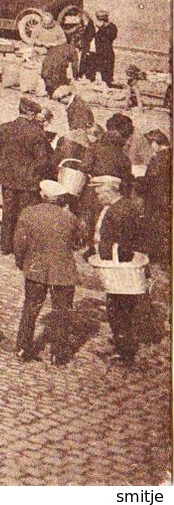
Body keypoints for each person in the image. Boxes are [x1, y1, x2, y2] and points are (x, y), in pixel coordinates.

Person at [13, 179, 84, 364]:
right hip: (63, 271)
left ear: (42, 195)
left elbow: (19, 243)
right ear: (60, 199)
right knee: (62, 312)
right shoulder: (70, 218)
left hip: (36, 269)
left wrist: (21, 263)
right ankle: (58, 354)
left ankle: (22, 348)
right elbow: (79, 243)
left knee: (30, 308)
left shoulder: (28, 214)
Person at [88, 175, 142, 363]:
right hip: (121, 264)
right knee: (121, 308)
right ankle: (122, 344)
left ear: (109, 191)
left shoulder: (118, 211)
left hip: (118, 267)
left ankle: (124, 352)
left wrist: (107, 256)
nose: (98, 197)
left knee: (117, 309)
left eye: (100, 193)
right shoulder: (124, 206)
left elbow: (122, 242)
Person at [0, 97, 51, 255]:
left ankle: (5, 246)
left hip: (8, 179)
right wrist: (35, 173)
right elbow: (42, 160)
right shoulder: (37, 132)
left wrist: (3, 168)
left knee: (8, 212)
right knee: (24, 215)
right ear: (30, 114)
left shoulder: (5, 128)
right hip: (28, 181)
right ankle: (21, 248)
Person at [142, 131, 171, 266]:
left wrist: (137, 180)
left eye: (150, 143)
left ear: (156, 143)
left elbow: (149, 179)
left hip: (156, 198)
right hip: (168, 198)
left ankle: (155, 257)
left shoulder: (158, 159)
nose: (150, 147)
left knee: (154, 227)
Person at [87, 10, 118, 86]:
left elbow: (111, 37)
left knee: (107, 76)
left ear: (104, 20)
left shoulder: (112, 27)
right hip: (96, 53)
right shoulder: (97, 27)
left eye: (99, 20)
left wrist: (101, 28)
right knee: (91, 72)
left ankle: (108, 86)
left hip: (106, 54)